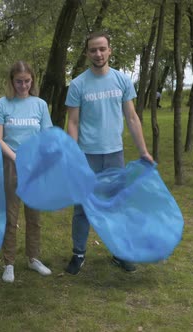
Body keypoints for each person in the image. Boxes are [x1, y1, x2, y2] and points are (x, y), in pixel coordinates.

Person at [64, 31, 154, 275]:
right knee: (83, 207)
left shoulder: (122, 81)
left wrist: (143, 151)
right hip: (86, 155)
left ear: (110, 50)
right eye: (93, 50)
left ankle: (119, 253)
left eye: (102, 48)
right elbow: (72, 122)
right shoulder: (78, 84)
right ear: (87, 53)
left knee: (116, 204)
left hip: (114, 153)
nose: (98, 53)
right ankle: (78, 254)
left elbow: (132, 118)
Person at [0, 61, 53, 283]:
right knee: (11, 216)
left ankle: (33, 258)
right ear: (11, 81)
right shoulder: (1, 105)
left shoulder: (40, 105)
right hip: (11, 164)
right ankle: (9, 262)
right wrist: (17, 158)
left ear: (32, 80)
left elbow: (47, 137)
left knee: (34, 216)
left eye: (27, 81)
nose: (23, 86)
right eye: (18, 81)